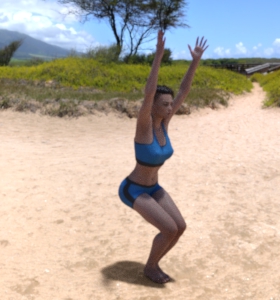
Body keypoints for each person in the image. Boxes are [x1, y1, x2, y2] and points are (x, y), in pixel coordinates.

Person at [119, 30, 208, 284]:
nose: (170, 108)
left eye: (171, 104)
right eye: (165, 104)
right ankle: (150, 267)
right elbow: (148, 93)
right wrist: (158, 55)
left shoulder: (164, 124)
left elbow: (184, 90)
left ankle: (154, 263)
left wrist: (195, 61)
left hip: (154, 187)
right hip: (134, 189)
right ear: (153, 106)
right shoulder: (144, 125)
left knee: (179, 227)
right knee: (168, 228)